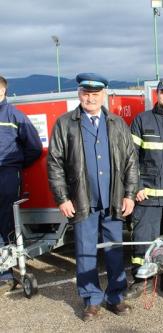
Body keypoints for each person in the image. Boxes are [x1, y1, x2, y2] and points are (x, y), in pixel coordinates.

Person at [47, 73, 139, 321]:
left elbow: (131, 161)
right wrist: (62, 198)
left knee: (114, 250)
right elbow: (54, 163)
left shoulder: (117, 123)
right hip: (81, 200)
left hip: (113, 199)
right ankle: (91, 299)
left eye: (95, 94)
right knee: (86, 251)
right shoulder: (65, 123)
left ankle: (116, 297)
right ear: (79, 95)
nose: (90, 98)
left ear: (104, 95)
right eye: (86, 94)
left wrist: (129, 194)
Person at [126, 78, 163, 297]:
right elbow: (130, 158)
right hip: (147, 196)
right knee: (143, 240)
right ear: (156, 95)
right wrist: (137, 186)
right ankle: (141, 280)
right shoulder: (142, 121)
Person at [0, 75, 42, 292]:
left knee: (5, 222)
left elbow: (34, 146)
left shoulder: (14, 115)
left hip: (7, 174)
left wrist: (15, 165)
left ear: (3, 91)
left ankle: (6, 275)